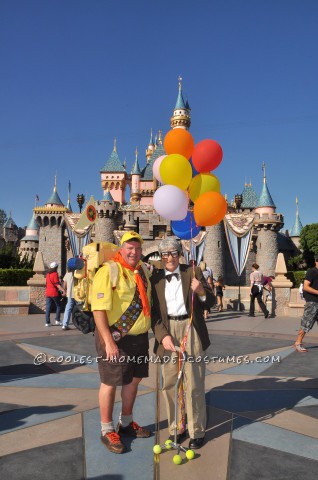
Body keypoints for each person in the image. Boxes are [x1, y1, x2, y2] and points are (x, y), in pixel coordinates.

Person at [151, 238, 215, 450]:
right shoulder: (155, 278)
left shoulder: (192, 272)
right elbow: (153, 314)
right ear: (161, 257)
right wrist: (163, 336)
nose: (169, 258)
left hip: (191, 328)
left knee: (194, 382)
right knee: (170, 384)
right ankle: (176, 428)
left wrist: (201, 292)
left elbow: (211, 301)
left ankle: (197, 430)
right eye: (165, 254)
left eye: (173, 253)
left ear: (180, 254)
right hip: (168, 332)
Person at [91, 231, 152, 454]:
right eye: (129, 248)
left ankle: (125, 424)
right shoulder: (109, 271)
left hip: (139, 338)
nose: (134, 252)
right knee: (110, 381)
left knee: (133, 381)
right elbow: (98, 309)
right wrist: (108, 341)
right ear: (121, 248)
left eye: (137, 248)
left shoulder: (143, 270)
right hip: (115, 337)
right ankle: (107, 430)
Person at [293, 256, 318, 352]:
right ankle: (298, 343)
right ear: (316, 261)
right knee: (306, 323)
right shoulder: (312, 272)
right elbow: (306, 287)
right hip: (312, 302)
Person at [45, 262, 66, 327]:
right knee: (58, 305)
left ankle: (47, 322)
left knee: (48, 307)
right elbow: (57, 284)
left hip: (48, 292)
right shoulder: (55, 274)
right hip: (54, 292)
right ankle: (57, 320)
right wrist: (63, 290)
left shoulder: (47, 274)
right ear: (56, 267)